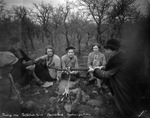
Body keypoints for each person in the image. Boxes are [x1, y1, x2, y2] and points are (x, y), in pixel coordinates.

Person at [92, 39, 141, 117]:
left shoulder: (118, 60)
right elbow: (112, 67)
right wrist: (103, 67)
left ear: (113, 50)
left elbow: (105, 75)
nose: (106, 52)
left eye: (107, 50)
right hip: (128, 81)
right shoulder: (121, 56)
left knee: (124, 101)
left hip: (122, 84)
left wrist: (95, 70)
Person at [0, 51, 39, 116]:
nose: (12, 68)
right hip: (5, 110)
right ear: (2, 68)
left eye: (12, 65)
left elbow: (14, 91)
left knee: (31, 104)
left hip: (15, 105)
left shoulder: (9, 76)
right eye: (9, 66)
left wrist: (21, 103)